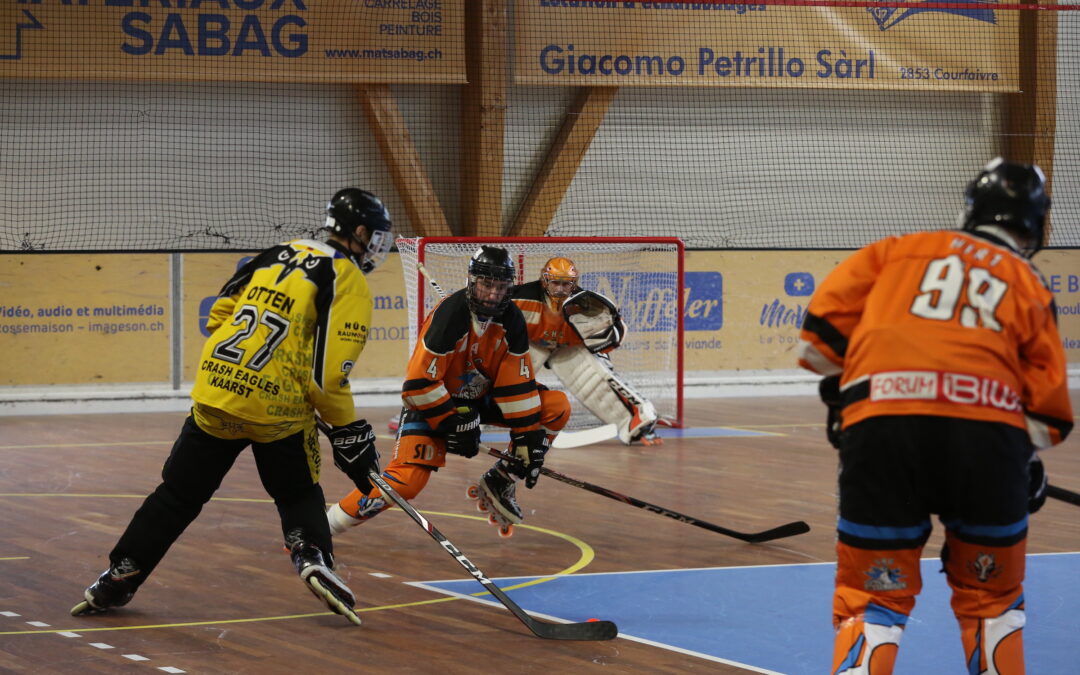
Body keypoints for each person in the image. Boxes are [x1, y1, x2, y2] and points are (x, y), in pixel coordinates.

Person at [797, 158, 1073, 674]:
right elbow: (1049, 418)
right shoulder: (1030, 284)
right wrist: (1023, 466)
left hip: (883, 436)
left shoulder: (897, 251)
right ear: (1035, 223)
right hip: (989, 448)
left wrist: (852, 395)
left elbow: (816, 343)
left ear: (973, 207)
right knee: (992, 604)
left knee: (870, 601)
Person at [70, 188, 394, 626]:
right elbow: (328, 377)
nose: (377, 247)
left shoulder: (275, 253)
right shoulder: (347, 278)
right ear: (358, 233)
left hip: (216, 392)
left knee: (177, 495)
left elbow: (217, 316)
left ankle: (120, 574)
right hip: (275, 410)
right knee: (296, 490)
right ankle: (312, 555)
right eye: (375, 237)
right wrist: (349, 432)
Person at [327, 245, 563, 538]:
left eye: (501, 287)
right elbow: (417, 385)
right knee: (405, 483)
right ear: (472, 281)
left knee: (556, 406)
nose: (493, 294)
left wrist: (526, 435)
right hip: (435, 404)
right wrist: (452, 424)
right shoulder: (450, 315)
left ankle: (502, 478)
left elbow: (515, 383)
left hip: (482, 399)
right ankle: (323, 528)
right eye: (486, 285)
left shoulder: (512, 319)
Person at [511, 256, 663, 445]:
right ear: (545, 280)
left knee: (593, 380)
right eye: (556, 283)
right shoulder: (518, 298)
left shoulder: (586, 305)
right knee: (506, 377)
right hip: (530, 344)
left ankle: (636, 423)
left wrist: (605, 338)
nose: (560, 289)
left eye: (566, 284)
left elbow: (612, 333)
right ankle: (478, 416)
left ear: (574, 283)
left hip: (566, 348)